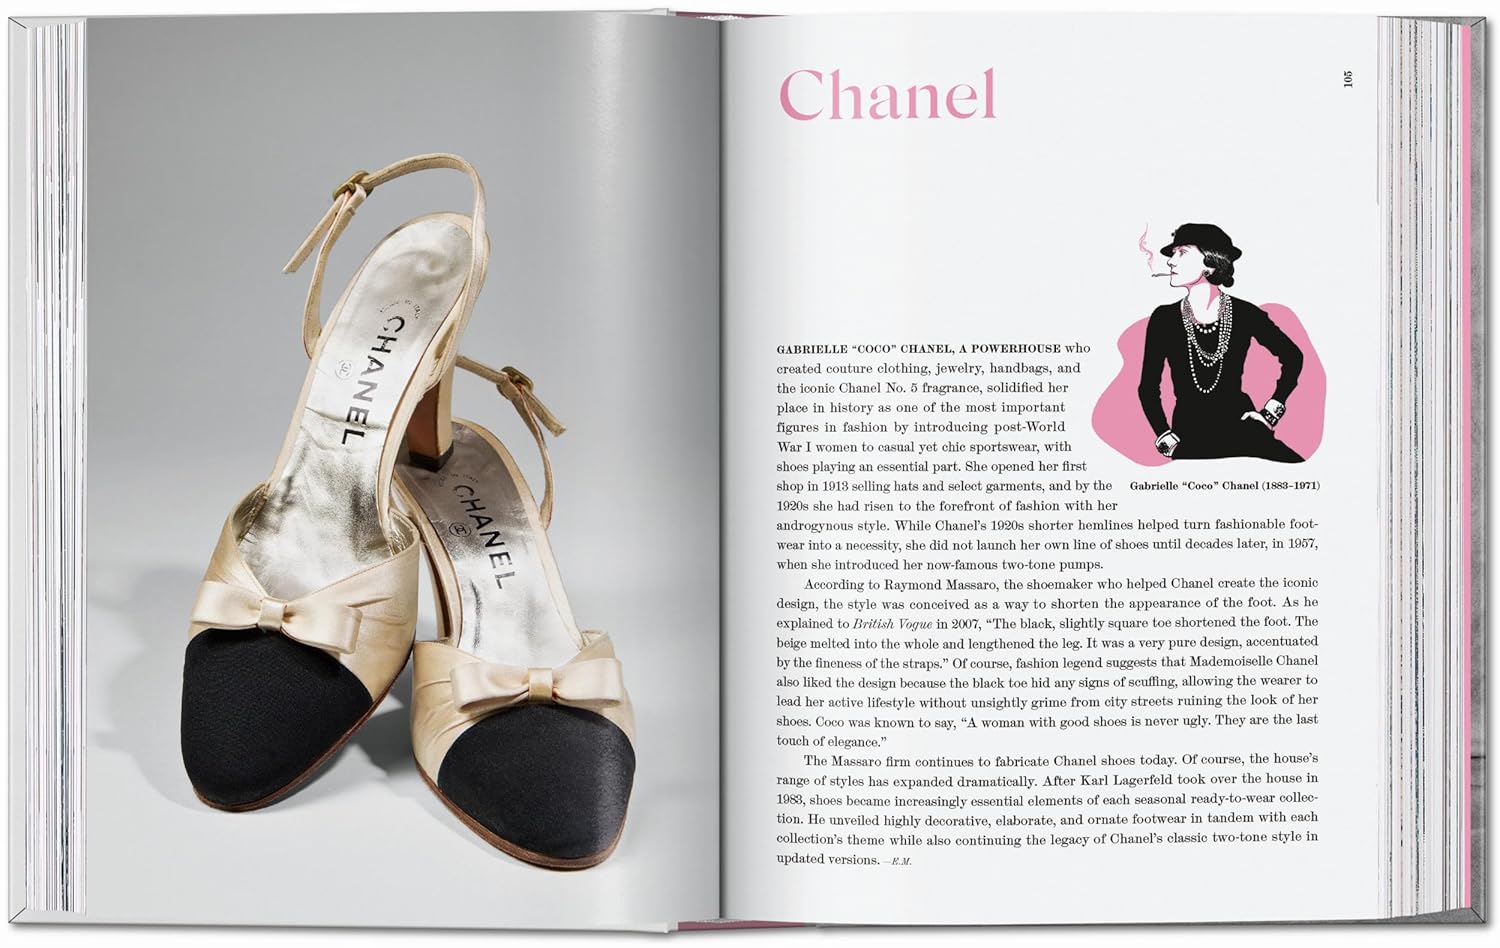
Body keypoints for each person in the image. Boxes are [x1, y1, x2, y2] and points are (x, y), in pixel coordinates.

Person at [1137, 223, 1304, 462]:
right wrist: (1163, 433)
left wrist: (1270, 413)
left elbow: (1293, 357)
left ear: (1210, 262)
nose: (1171, 262)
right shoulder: (1164, 319)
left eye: (1182, 253)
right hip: (1188, 437)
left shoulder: (1245, 313)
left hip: (1245, 430)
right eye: (1173, 254)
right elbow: (1148, 387)